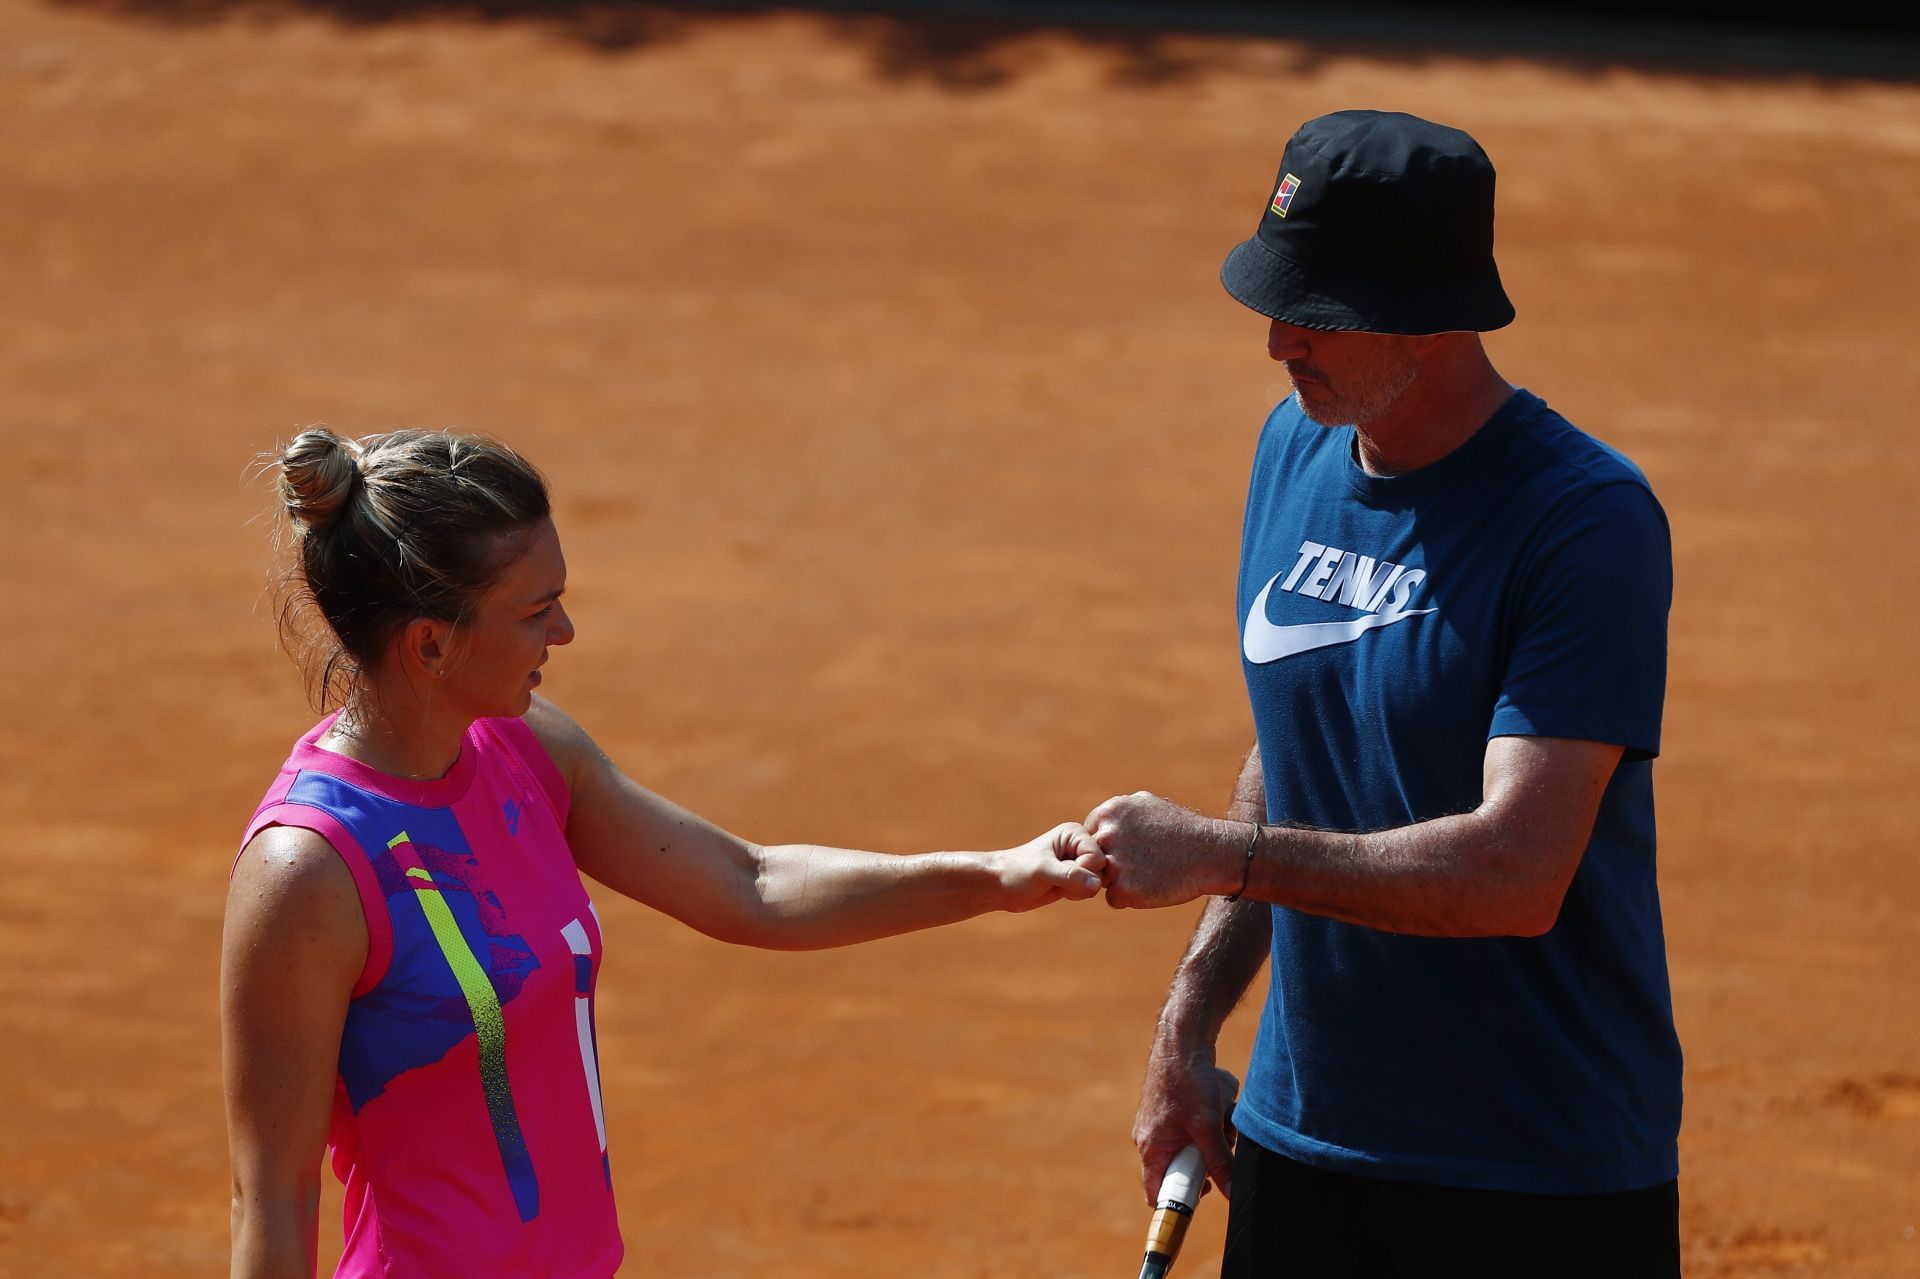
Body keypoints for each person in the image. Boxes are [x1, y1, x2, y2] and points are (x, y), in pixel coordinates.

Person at [222, 427, 1108, 1279]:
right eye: (536, 611)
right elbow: (275, 1198)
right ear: (430, 643)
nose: (563, 632)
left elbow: (747, 883)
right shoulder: (311, 870)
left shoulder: (528, 751)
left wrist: (998, 875)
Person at [1084, 110, 1683, 1276]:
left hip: (1530, 1174)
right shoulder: (1295, 449)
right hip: (1306, 1146)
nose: (1277, 344)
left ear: (1437, 312)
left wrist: (1218, 855)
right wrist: (1191, 1016)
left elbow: (1515, 871)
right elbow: (1292, 755)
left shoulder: (1583, 523)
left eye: (1317, 314)